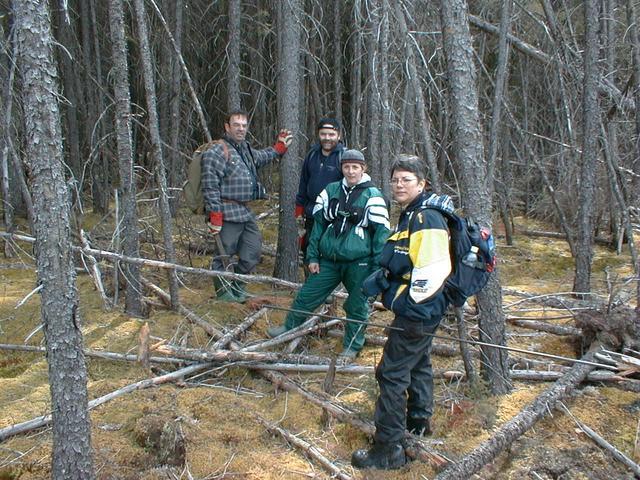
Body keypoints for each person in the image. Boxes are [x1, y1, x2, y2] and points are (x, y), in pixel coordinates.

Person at [351, 154, 454, 470]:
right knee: (418, 362)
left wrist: (410, 306)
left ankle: (388, 448)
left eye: (406, 179)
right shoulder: (411, 215)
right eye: (395, 179)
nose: (399, 185)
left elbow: (434, 268)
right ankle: (418, 423)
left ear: (421, 183)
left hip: (419, 311)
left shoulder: (425, 218)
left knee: (391, 372)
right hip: (423, 310)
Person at [267, 149, 390, 360]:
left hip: (359, 263)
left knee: (357, 305)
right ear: (341, 168)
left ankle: (352, 346)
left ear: (363, 168)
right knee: (307, 295)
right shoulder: (330, 190)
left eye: (355, 167)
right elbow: (317, 227)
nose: (351, 172)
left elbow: (381, 235)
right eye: (346, 167)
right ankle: (288, 327)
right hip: (329, 261)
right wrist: (312, 257)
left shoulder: (373, 196)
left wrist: (376, 269)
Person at [202, 109, 292, 302]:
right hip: (226, 211)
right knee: (223, 255)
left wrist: (278, 149)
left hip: (245, 211)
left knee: (252, 250)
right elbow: (209, 184)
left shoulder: (245, 149)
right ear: (227, 127)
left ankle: (238, 288)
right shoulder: (217, 150)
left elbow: (261, 157)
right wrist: (215, 215)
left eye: (244, 125)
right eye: (236, 125)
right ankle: (224, 295)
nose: (241, 129)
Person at [295, 118, 345, 259]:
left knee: (331, 257)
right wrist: (299, 212)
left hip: (334, 219)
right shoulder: (311, 155)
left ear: (338, 136)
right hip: (311, 216)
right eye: (323, 134)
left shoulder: (344, 157)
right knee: (310, 255)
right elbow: (303, 184)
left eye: (331, 134)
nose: (327, 138)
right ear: (318, 135)